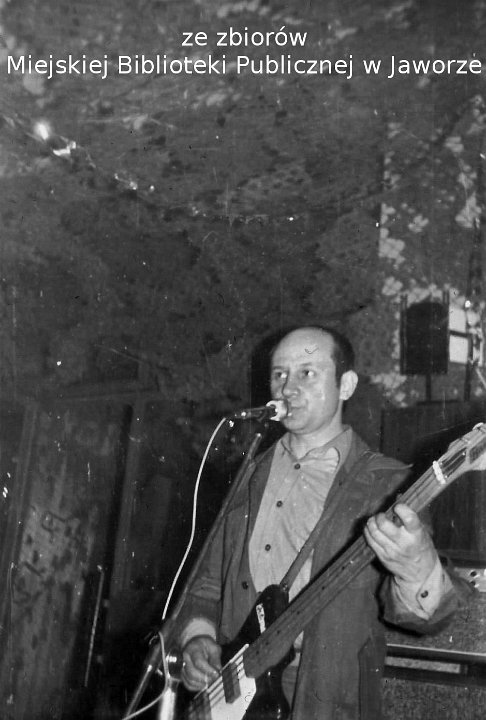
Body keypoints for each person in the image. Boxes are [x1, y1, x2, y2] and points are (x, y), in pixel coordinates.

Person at [176, 326, 471, 719]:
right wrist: (197, 638)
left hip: (326, 700)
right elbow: (207, 583)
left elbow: (428, 618)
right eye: (279, 374)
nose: (287, 387)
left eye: (307, 373)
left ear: (345, 385)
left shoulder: (386, 484)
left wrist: (417, 568)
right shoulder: (247, 473)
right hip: (233, 698)